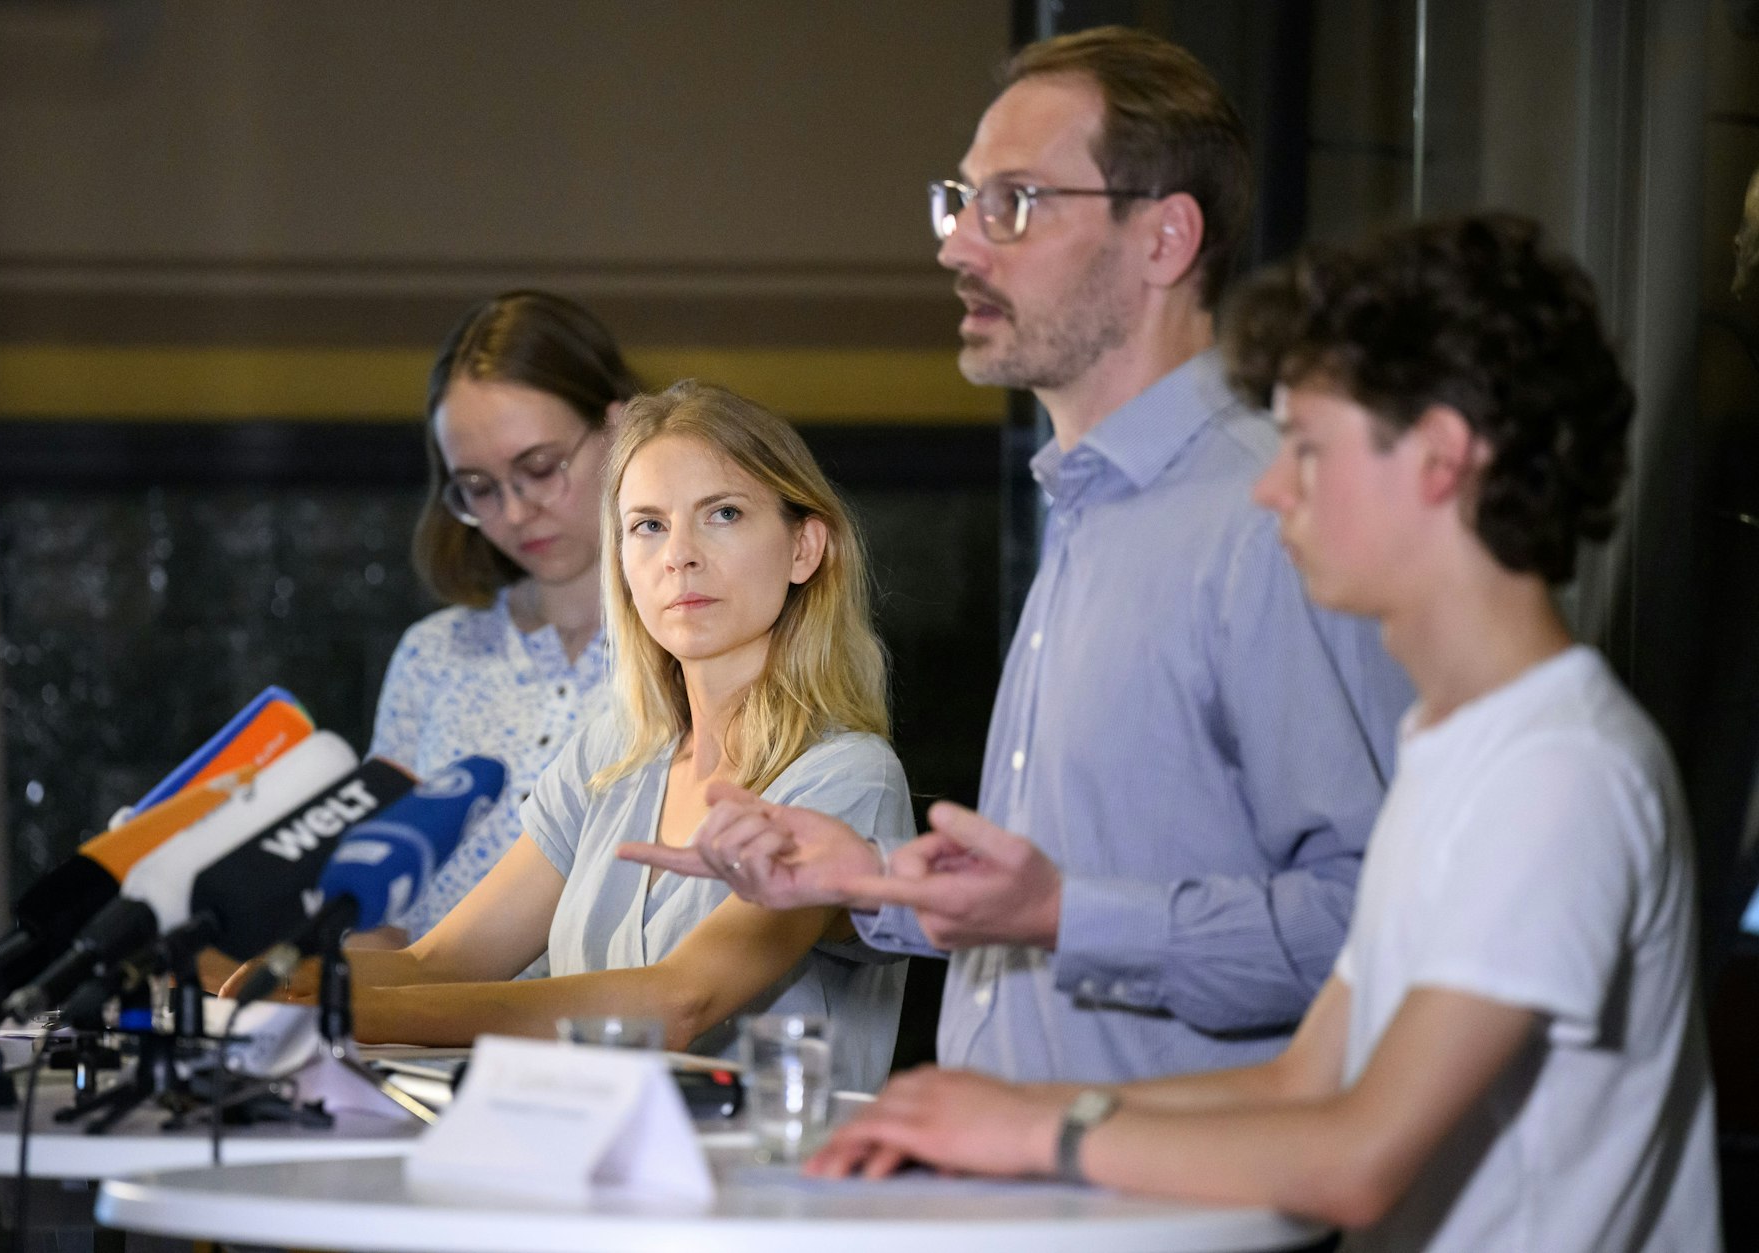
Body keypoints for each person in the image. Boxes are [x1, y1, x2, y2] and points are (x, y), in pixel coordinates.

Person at [807, 214, 1722, 1252]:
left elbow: (1354, 1156)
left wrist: (1033, 1127)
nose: (1269, 484)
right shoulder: (1449, 739)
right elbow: (1303, 1079)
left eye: (1306, 447)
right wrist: (968, 1116)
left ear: (1437, 459)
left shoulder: (1556, 768)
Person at [624, 26, 1410, 1084]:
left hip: (1172, 1202)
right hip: (1032, 1180)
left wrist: (1060, 913)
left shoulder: (1266, 514)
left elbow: (1379, 928)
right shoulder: (1089, 508)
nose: (956, 247)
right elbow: (1067, 898)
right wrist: (872, 885)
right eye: (961, 200)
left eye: (1016, 204)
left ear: (1163, 240)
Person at [262, 381, 912, 1093]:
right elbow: (439, 962)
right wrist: (257, 978)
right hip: (584, 1175)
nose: (679, 556)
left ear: (804, 547)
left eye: (722, 513)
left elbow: (675, 1001)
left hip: (766, 1189)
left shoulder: (847, 773)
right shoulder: (613, 753)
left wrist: (343, 1011)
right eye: (648, 525)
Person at [366, 291, 636, 944]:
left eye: (539, 468)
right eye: (479, 488)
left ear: (621, 427)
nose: (514, 513)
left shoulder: (693, 649)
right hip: (413, 1039)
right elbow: (377, 901)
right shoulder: (435, 653)